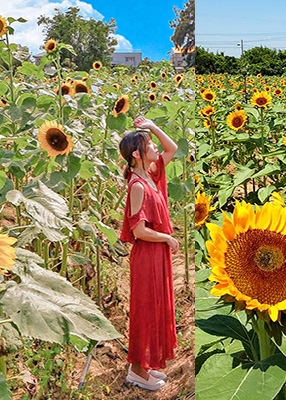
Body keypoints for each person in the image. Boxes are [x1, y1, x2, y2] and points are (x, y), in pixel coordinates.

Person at [119, 116, 179, 391]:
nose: (155, 146)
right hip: (148, 255)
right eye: (149, 144)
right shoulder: (138, 186)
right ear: (136, 154)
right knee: (145, 312)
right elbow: (139, 230)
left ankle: (145, 366)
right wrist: (167, 237)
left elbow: (172, 148)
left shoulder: (151, 174)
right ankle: (137, 371)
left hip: (157, 255)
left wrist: (152, 126)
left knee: (155, 310)